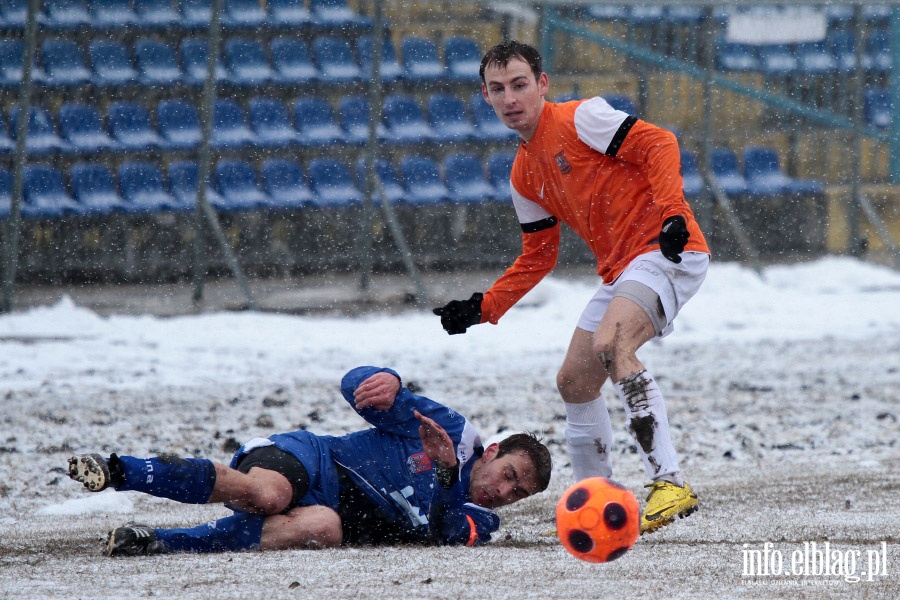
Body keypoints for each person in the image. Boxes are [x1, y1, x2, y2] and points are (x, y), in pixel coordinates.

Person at [433, 40, 710, 535]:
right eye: (498, 89)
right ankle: (596, 501)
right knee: (574, 382)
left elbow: (660, 142)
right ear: (486, 97)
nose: (510, 97)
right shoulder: (522, 173)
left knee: (611, 344)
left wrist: (671, 212)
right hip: (624, 270)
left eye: (520, 85)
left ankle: (670, 482)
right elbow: (539, 255)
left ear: (542, 85)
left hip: (667, 250)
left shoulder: (582, 118)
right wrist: (483, 307)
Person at [67, 365, 551, 556]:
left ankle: (158, 542)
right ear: (491, 452)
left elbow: (444, 531)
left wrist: (444, 473)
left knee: (324, 529)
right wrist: (385, 380)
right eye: (509, 475)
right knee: (268, 493)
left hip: (329, 512)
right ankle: (119, 470)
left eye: (518, 493)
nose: (505, 492)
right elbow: (353, 387)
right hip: (311, 459)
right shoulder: (454, 430)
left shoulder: (481, 521)